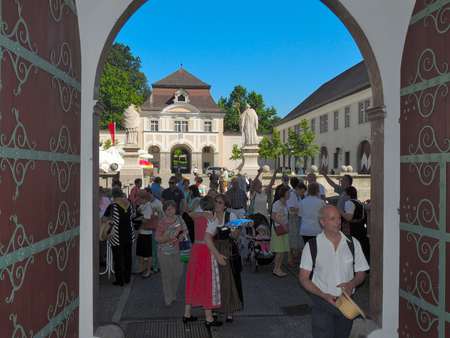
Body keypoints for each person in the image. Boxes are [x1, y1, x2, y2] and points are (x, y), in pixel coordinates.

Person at [299, 205, 369, 338]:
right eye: (332, 219)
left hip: (347, 304)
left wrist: (351, 284)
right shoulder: (312, 246)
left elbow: (361, 273)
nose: (338, 222)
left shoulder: (353, 243)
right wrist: (323, 295)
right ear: (322, 222)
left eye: (339, 218)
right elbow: (303, 278)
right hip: (322, 303)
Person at [184, 196, 225, 328]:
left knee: (192, 280)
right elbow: (209, 238)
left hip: (195, 249)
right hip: (206, 252)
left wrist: (201, 213)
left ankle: (187, 314)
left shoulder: (198, 214)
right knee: (207, 283)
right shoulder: (212, 219)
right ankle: (209, 318)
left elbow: (188, 214)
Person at [207, 194, 242, 322]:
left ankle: (229, 309)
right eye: (216, 201)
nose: (217, 204)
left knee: (228, 280)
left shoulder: (231, 216)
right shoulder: (211, 216)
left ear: (225, 206)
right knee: (215, 280)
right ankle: (215, 308)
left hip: (227, 250)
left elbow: (236, 235)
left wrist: (234, 231)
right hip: (214, 250)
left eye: (220, 202)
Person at [155, 200, 188, 306]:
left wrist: (182, 235)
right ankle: (168, 297)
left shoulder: (179, 219)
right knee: (166, 276)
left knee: (178, 274)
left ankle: (173, 293)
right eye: (168, 209)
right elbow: (157, 238)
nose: (170, 211)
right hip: (164, 253)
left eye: (172, 208)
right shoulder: (162, 222)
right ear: (164, 211)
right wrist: (168, 237)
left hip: (179, 251)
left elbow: (186, 230)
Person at [103, 187, 135, 286]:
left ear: (113, 195)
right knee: (127, 257)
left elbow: (104, 218)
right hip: (129, 233)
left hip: (116, 235)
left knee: (118, 258)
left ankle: (119, 280)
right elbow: (133, 216)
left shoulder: (112, 206)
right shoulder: (129, 204)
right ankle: (127, 278)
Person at [341, 186, 370, 263]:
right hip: (361, 230)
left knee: (354, 250)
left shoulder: (349, 203)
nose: (343, 196)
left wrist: (340, 211)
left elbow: (349, 218)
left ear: (348, 194)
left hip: (353, 230)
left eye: (344, 194)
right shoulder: (359, 202)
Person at [270, 185, 290, 277]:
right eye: (288, 192)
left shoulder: (286, 203)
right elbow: (273, 216)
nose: (289, 194)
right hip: (278, 228)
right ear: (284, 194)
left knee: (283, 250)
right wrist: (283, 224)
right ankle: (276, 269)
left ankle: (278, 268)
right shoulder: (277, 204)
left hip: (284, 228)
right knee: (279, 250)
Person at [135, 190, 155, 278]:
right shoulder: (143, 206)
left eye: (139, 198)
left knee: (147, 253)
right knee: (140, 252)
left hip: (146, 233)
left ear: (144, 198)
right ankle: (142, 268)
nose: (138, 199)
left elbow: (146, 219)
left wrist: (137, 219)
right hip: (142, 232)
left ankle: (148, 270)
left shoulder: (148, 206)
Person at [286, 181, 307, 265]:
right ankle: (290, 258)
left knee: (296, 238)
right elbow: (291, 209)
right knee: (292, 238)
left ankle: (294, 257)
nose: (302, 194)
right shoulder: (292, 195)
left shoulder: (297, 195)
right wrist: (301, 210)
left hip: (296, 218)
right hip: (293, 218)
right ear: (298, 189)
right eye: (302, 192)